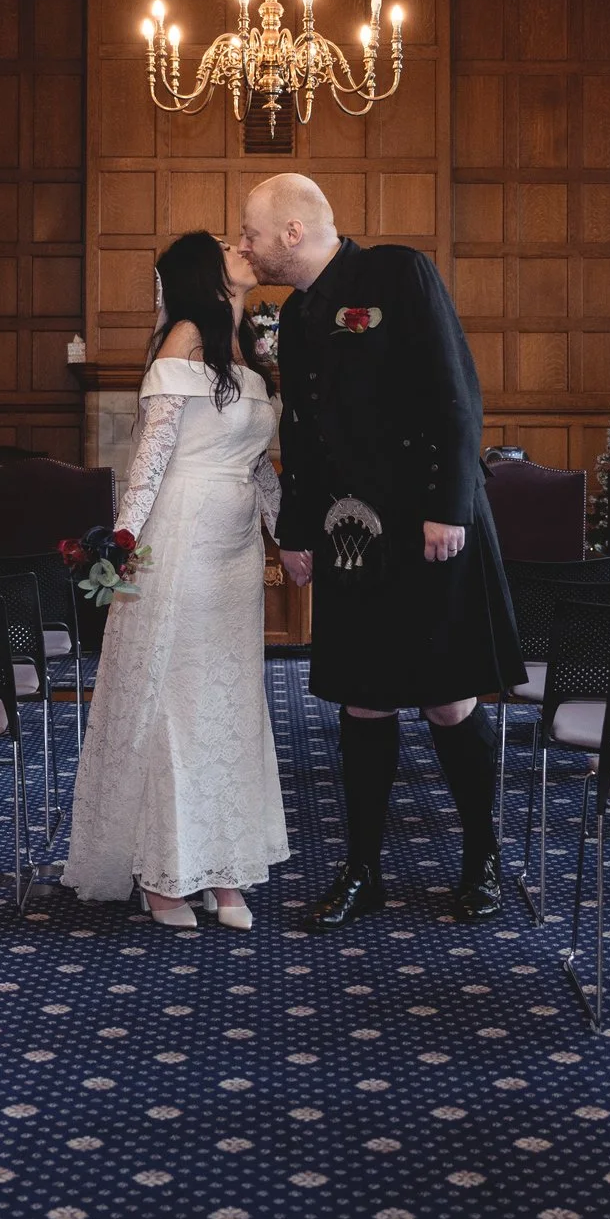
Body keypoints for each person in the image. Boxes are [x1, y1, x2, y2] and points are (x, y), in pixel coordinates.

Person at [238, 173, 523, 928]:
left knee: (446, 696)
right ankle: (363, 868)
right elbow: (299, 436)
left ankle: (482, 859)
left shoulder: (398, 271)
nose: (247, 245)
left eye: (253, 233)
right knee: (363, 699)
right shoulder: (294, 315)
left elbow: (457, 393)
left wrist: (448, 506)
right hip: (350, 535)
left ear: (293, 231)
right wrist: (295, 531)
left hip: (432, 525)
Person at [59, 231, 291, 929]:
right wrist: (123, 544)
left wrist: (290, 536)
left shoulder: (245, 343)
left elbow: (254, 463)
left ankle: (221, 867)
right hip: (181, 536)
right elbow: (152, 456)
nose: (241, 245)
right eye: (227, 243)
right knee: (177, 703)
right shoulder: (185, 336)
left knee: (229, 701)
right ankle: (166, 874)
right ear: (200, 271)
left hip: (234, 549)